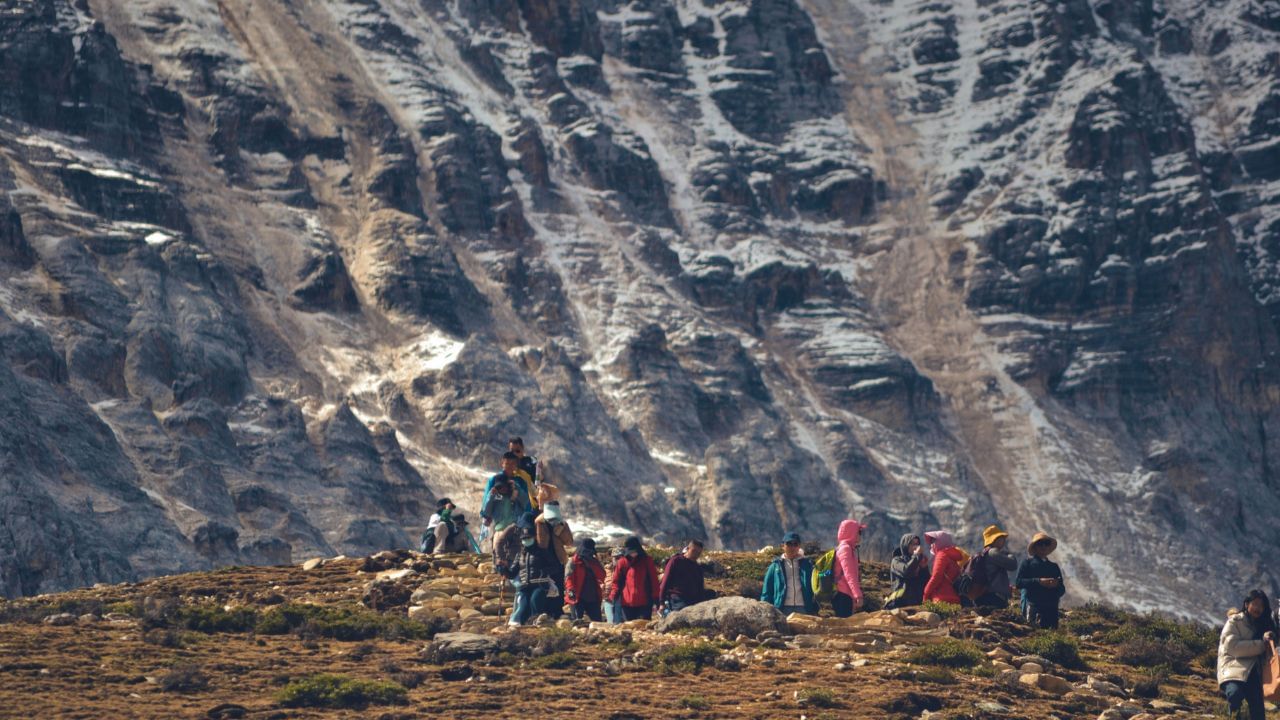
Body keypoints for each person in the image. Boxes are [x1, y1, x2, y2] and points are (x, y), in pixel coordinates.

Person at [1218, 589, 1278, 720]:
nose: (1258, 608)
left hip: (1254, 672)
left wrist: (1270, 638)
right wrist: (1262, 644)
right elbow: (1233, 648)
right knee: (1235, 694)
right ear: (1246, 604)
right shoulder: (1235, 621)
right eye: (1255, 604)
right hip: (1233, 668)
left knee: (1258, 712)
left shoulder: (1264, 624)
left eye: (1261, 606)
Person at [502, 515, 561, 625]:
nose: (526, 540)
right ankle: (523, 625)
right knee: (523, 606)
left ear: (534, 537)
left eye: (528, 538)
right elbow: (512, 574)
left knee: (535, 601)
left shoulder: (543, 552)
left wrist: (545, 572)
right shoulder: (520, 555)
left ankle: (536, 623)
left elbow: (555, 567)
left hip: (540, 584)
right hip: (524, 586)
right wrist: (504, 569)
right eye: (524, 539)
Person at [534, 486, 573, 619]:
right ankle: (545, 612)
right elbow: (542, 543)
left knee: (559, 586)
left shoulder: (561, 523)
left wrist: (560, 528)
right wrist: (541, 525)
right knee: (545, 585)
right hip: (544, 559)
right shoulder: (539, 522)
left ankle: (557, 611)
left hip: (558, 558)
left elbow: (569, 541)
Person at [1014, 532, 1066, 628]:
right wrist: (1039, 581)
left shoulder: (1054, 567)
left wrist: (1055, 585)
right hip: (1034, 606)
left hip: (1051, 610)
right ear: (1035, 547)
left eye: (1046, 543)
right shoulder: (1027, 563)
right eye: (1040, 543)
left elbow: (1062, 589)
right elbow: (1019, 583)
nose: (1043, 546)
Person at [761, 532, 818, 615]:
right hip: (782, 608)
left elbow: (816, 584)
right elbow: (767, 590)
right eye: (789, 544)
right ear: (782, 546)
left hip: (804, 608)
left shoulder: (808, 565)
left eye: (795, 544)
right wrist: (765, 610)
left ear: (799, 546)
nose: (792, 547)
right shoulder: (775, 566)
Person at [608, 536, 660, 621]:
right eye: (630, 552)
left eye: (634, 551)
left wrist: (656, 597)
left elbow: (654, 581)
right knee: (629, 626)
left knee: (643, 626)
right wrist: (613, 595)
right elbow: (616, 582)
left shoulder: (647, 561)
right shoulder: (622, 562)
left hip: (645, 602)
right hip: (627, 603)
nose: (633, 554)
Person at [481, 453, 531, 537]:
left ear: (516, 465)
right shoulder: (494, 480)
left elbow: (526, 502)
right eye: (507, 463)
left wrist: (517, 489)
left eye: (513, 464)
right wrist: (485, 516)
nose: (510, 466)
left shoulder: (520, 481)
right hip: (498, 523)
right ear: (502, 463)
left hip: (516, 523)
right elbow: (486, 499)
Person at [659, 540, 712, 614]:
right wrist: (661, 602)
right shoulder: (676, 561)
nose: (695, 555)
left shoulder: (697, 568)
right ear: (687, 549)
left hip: (693, 599)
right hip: (677, 598)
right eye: (694, 551)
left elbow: (700, 588)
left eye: (698, 553)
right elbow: (665, 581)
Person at [972, 525, 1018, 608]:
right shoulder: (993, 552)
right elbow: (1013, 565)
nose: (1004, 540)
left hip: (984, 596)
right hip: (995, 598)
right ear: (995, 539)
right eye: (1001, 537)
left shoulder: (984, 553)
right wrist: (1009, 554)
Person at [831, 519, 867, 618]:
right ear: (852, 532)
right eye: (859, 532)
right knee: (844, 625)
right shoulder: (845, 549)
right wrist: (858, 595)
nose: (860, 535)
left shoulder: (846, 548)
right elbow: (849, 574)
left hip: (844, 594)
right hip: (843, 595)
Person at [883, 533, 929, 609]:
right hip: (899, 603)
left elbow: (925, 580)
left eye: (917, 544)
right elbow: (906, 571)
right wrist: (916, 557)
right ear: (905, 545)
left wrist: (924, 568)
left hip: (916, 603)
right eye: (912, 544)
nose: (915, 547)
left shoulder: (918, 561)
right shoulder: (896, 560)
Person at [923, 530, 968, 605]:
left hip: (941, 598)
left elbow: (936, 576)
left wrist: (926, 593)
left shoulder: (941, 555)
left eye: (933, 541)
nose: (931, 545)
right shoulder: (952, 556)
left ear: (940, 542)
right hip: (954, 598)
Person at [565, 537, 606, 622]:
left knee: (597, 622)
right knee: (578, 622)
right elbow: (568, 578)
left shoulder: (594, 562)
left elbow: (602, 576)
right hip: (577, 596)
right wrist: (570, 590)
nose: (588, 553)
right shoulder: (573, 561)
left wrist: (595, 562)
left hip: (593, 596)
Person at [509, 437, 540, 504]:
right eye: (512, 451)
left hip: (531, 500)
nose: (514, 454)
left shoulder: (532, 460)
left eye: (517, 451)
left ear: (522, 449)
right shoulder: (508, 464)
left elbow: (539, 479)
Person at [603, 546, 625, 624]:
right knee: (611, 623)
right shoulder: (607, 570)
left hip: (622, 600)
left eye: (619, 558)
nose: (617, 560)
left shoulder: (627, 569)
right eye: (615, 558)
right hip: (608, 600)